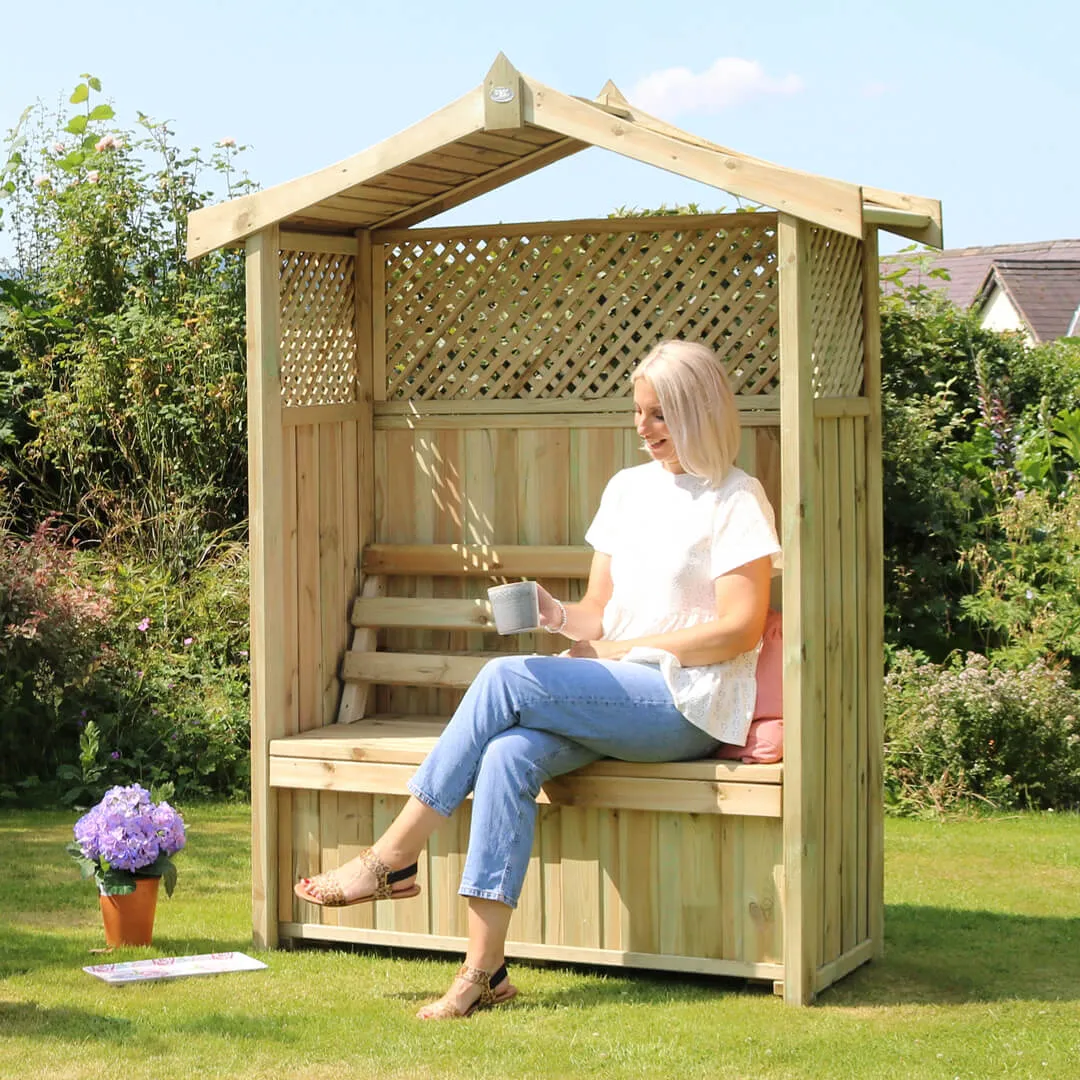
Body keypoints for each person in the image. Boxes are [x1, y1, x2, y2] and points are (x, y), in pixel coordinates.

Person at [293, 338, 782, 1020]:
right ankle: (482, 974)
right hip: (614, 689)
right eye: (639, 412)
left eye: (658, 415)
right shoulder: (626, 491)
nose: (642, 428)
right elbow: (598, 612)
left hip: (684, 703)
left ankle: (389, 858)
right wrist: (561, 616)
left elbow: (740, 628)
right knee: (507, 754)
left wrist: (626, 646)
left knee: (504, 679)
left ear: (698, 412)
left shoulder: (736, 499)